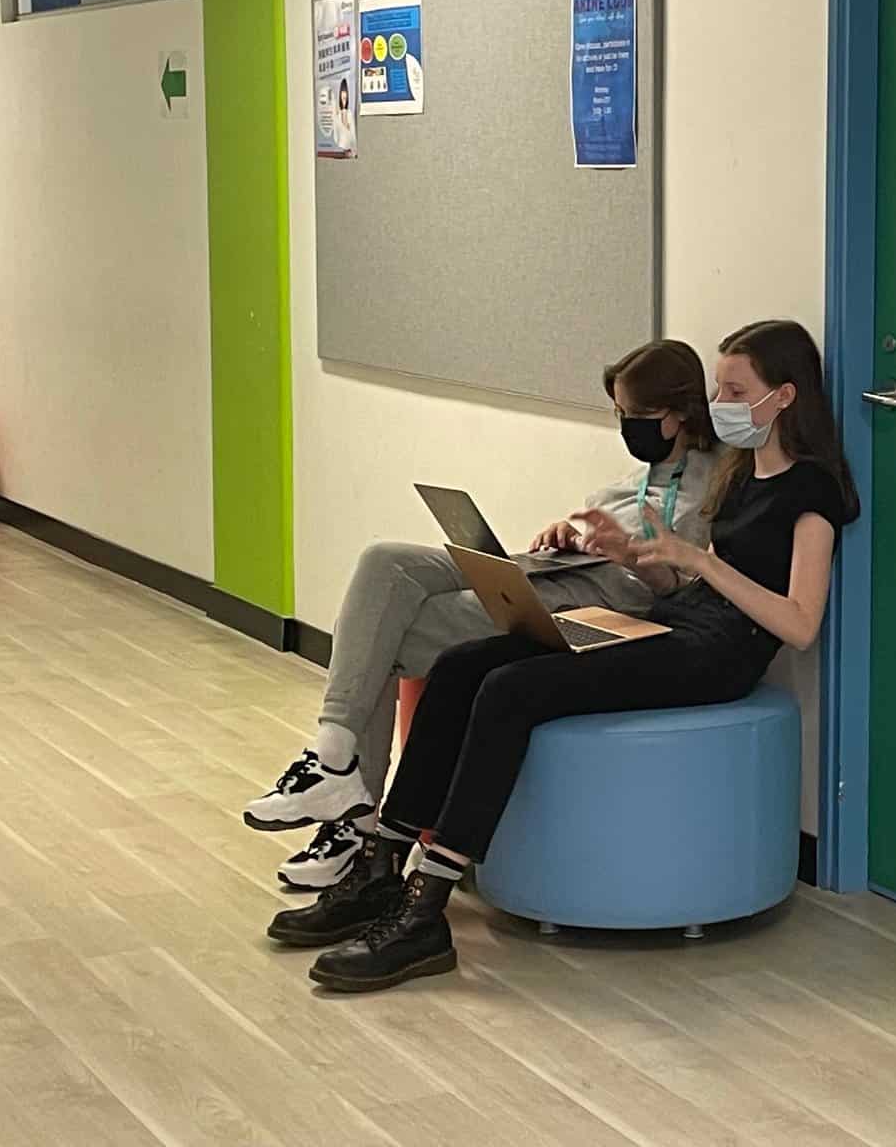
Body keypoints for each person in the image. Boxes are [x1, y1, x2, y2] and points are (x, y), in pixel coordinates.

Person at [272, 319, 858, 991]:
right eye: (719, 387)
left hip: (718, 655)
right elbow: (686, 587)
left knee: (512, 690)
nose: (720, 403)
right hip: (673, 621)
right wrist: (645, 559)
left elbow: (800, 623)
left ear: (784, 396)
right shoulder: (740, 473)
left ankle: (426, 906)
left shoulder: (812, 492)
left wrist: (701, 562)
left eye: (735, 390)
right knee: (464, 665)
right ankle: (381, 864)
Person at [242, 340, 721, 890]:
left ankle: (355, 825)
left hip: (599, 607)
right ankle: (332, 755)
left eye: (635, 415)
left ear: (678, 412)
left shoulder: (716, 487)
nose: (625, 426)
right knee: (384, 561)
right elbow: (597, 530)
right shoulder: (631, 479)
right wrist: (566, 534)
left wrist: (628, 554)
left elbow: (690, 593)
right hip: (551, 570)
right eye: (618, 413)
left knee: (384, 637)